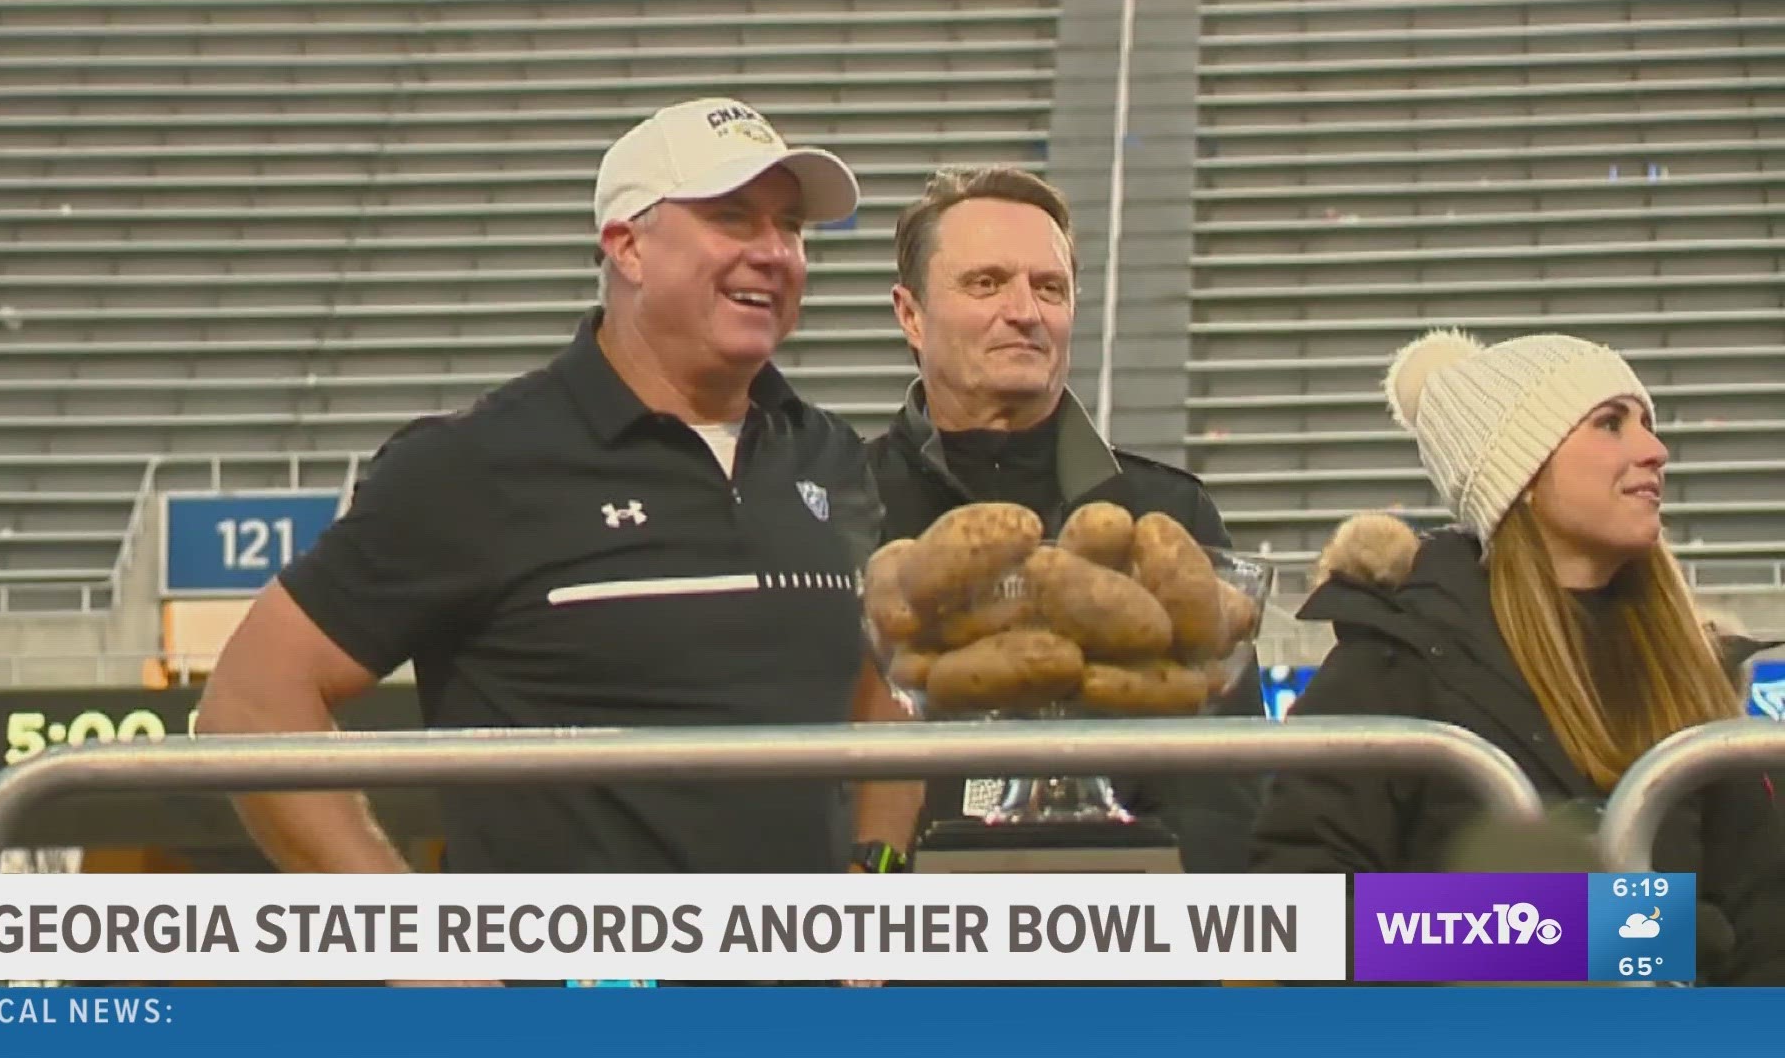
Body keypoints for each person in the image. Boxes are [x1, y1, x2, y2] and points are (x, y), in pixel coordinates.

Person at [194, 98, 920, 953]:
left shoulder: (831, 458)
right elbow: (250, 699)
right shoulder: (478, 466)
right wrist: (405, 938)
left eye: (790, 226)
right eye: (732, 218)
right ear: (628, 246)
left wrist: (873, 881)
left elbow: (879, 693)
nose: (773, 252)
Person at [1251, 327, 1785, 985]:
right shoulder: (1396, 657)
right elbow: (1297, 912)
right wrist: (1605, 934)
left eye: (1647, 425)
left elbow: (1764, 921)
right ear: (1522, 474)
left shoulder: (1690, 672)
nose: (1655, 450)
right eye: (1611, 425)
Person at [864, 164, 1267, 874]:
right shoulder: (843, 502)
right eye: (986, 284)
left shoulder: (1170, 513)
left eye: (1049, 288)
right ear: (910, 314)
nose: (1025, 310)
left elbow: (1224, 784)